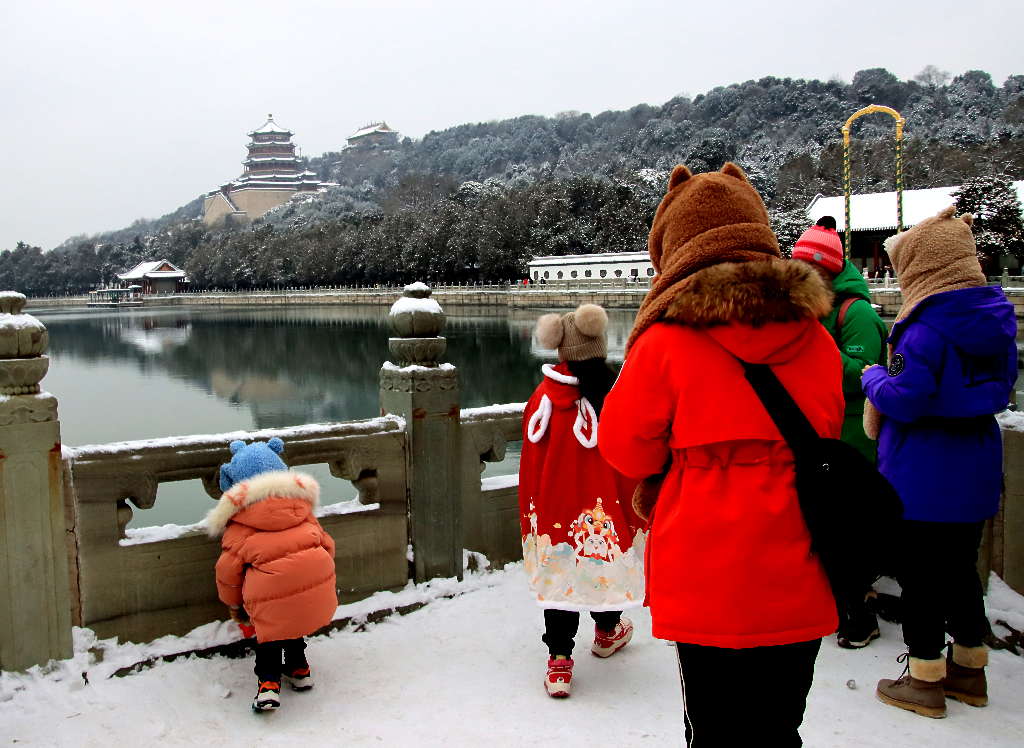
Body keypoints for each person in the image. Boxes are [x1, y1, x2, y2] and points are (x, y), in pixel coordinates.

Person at [599, 163, 844, 746]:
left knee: (713, 728)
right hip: (800, 558)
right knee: (781, 727)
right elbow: (827, 430)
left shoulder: (666, 341)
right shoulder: (816, 336)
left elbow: (624, 447)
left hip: (704, 565)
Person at [864, 206, 1016, 719]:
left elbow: (904, 399)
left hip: (923, 467)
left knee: (922, 577)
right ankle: (970, 671)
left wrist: (871, 379)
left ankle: (925, 677)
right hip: (975, 460)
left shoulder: (925, 327)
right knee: (959, 570)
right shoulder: (995, 320)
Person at [518, 303, 644, 698]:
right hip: (604, 509)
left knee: (561, 578)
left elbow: (529, 462)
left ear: (560, 350)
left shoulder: (544, 398)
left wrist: (533, 508)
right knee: (604, 562)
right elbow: (632, 456)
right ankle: (607, 631)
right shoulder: (618, 395)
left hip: (556, 509)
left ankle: (559, 663)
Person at [792, 215, 889, 650]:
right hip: (820, 435)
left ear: (828, 272)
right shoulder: (816, 308)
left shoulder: (857, 313)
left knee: (846, 530)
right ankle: (843, 602)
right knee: (827, 528)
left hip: (852, 439)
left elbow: (864, 375)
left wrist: (812, 350)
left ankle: (858, 615)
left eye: (809, 271)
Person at [205, 437, 338, 712]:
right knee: (291, 623)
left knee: (269, 633)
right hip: (310, 593)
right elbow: (327, 545)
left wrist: (234, 604)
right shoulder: (301, 510)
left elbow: (227, 572)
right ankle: (300, 669)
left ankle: (268, 685)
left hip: (270, 598)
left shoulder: (241, 524)